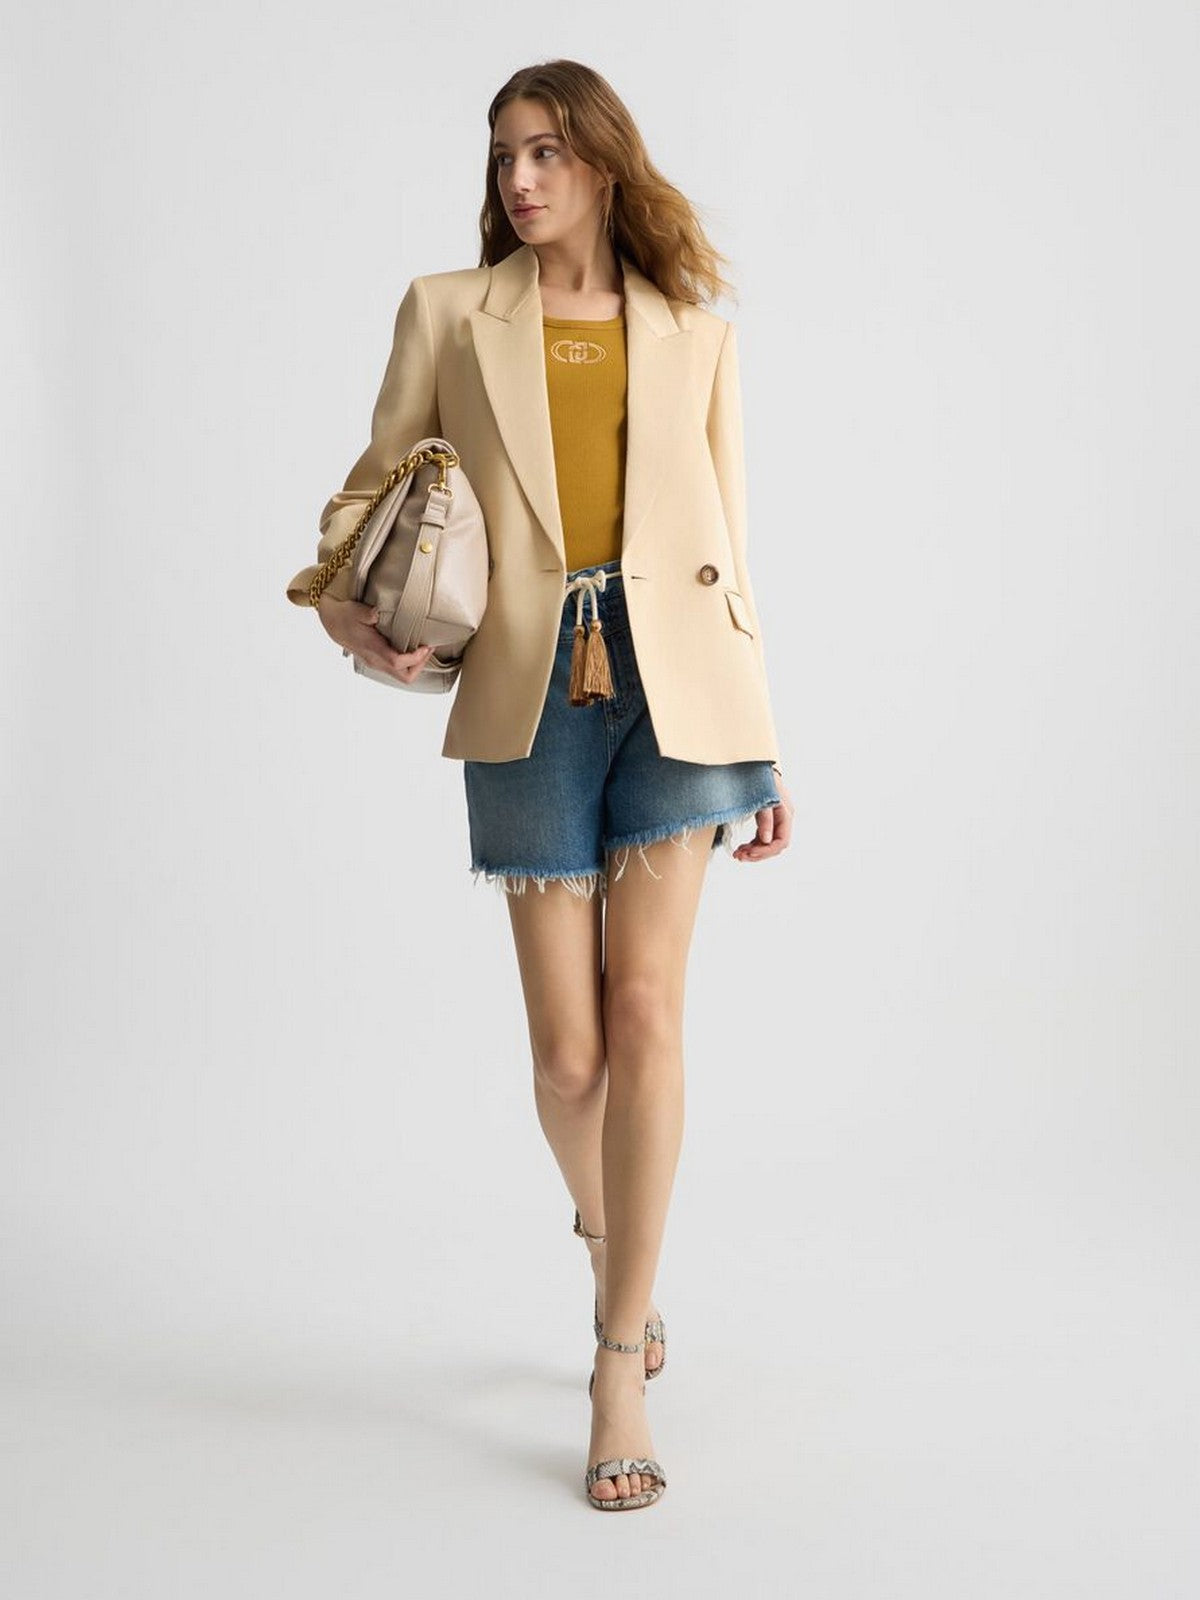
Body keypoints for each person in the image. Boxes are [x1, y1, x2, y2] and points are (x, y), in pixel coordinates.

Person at [286, 58, 794, 1513]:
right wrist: (347, 616)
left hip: (680, 695)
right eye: (506, 154)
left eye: (549, 152)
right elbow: (365, 492)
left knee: (649, 1015)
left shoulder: (696, 333)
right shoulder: (450, 311)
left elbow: (730, 551)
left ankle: (617, 1357)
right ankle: (608, 1231)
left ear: (605, 165)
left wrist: (765, 743)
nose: (520, 178)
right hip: (531, 692)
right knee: (571, 1062)